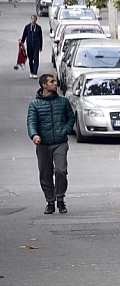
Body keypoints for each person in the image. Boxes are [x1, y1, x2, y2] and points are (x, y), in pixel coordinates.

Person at [27, 74, 76, 214]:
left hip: (60, 143)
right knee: (45, 173)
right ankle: (50, 201)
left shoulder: (63, 101)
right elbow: (31, 122)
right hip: (43, 144)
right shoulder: (35, 104)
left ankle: (60, 199)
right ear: (44, 85)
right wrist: (34, 135)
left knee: (61, 170)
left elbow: (71, 118)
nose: (56, 83)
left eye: (55, 81)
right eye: (52, 81)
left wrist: (65, 130)